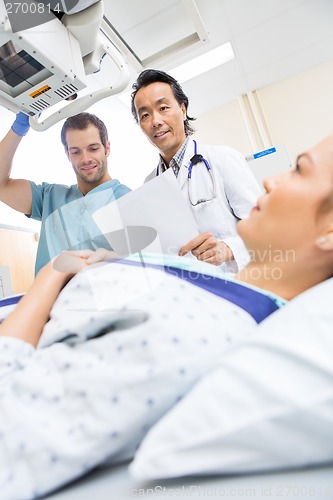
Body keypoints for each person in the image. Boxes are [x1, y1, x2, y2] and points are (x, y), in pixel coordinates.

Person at [0, 133, 333, 499]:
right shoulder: (212, 287)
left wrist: (52, 274)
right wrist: (116, 265)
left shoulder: (190, 331)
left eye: (299, 171)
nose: (271, 179)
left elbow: (13, 434)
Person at [130, 69, 262, 272]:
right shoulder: (149, 185)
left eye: (163, 108)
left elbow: (266, 227)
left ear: (183, 109)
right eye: (145, 115)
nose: (155, 121)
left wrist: (228, 248)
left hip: (237, 283)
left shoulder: (222, 160)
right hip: (191, 293)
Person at [0, 112, 131, 274]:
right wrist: (19, 129)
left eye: (93, 148)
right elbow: (1, 185)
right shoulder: (50, 197)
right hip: (47, 299)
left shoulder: (128, 201)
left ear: (107, 148)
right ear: (67, 154)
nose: (86, 158)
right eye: (76, 151)